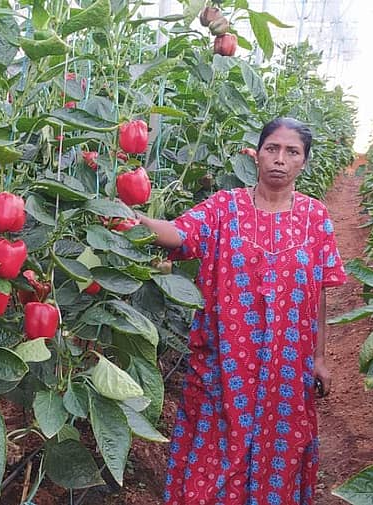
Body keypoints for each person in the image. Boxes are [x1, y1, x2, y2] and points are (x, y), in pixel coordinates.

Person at [137, 117, 346, 505]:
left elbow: (317, 293)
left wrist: (318, 357)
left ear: (304, 161)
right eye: (272, 148)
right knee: (215, 456)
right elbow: (180, 233)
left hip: (286, 368)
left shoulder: (316, 218)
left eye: (292, 152)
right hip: (225, 363)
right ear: (257, 154)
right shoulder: (224, 207)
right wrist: (132, 220)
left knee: (278, 451)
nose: (279, 159)